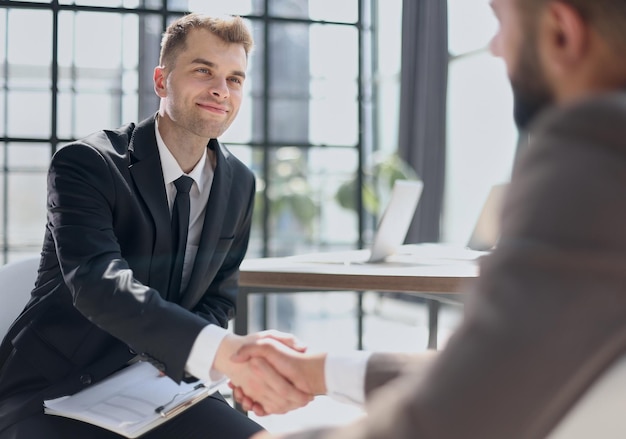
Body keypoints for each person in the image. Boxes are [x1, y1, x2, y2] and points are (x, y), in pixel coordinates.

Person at [229, 0, 626, 437]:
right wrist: (319, 371)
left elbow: (450, 420)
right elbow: (505, 364)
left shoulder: (598, 151)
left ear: (560, 33)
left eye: (500, 21)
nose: (495, 48)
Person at [0, 13, 310, 439]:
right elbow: (100, 286)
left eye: (235, 78)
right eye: (204, 71)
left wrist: (193, 362)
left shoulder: (240, 182)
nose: (221, 89)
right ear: (162, 81)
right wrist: (223, 351)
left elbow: (219, 297)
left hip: (162, 385)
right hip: (58, 389)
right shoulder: (87, 164)